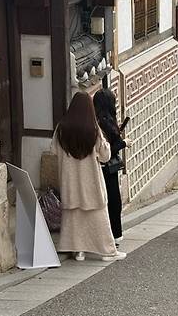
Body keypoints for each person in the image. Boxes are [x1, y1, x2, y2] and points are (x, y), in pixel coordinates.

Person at [51, 92, 125, 262]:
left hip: (70, 182)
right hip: (91, 182)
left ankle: (78, 251)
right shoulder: (93, 128)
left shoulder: (61, 128)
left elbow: (53, 150)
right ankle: (107, 251)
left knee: (74, 218)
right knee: (98, 218)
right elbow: (105, 155)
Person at [93, 88, 129, 246]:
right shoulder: (106, 121)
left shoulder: (95, 120)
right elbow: (108, 150)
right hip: (108, 167)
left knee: (105, 201)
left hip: (98, 168)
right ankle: (113, 236)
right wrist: (123, 143)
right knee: (113, 202)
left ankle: (105, 236)